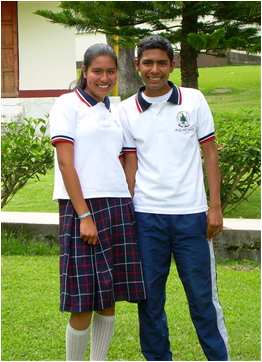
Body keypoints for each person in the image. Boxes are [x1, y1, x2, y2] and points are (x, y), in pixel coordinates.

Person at [118, 35, 229, 361]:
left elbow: (210, 154)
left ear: (173, 65)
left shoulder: (193, 101)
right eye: (148, 63)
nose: (155, 70)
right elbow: (130, 165)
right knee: (149, 301)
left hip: (192, 217)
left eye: (161, 63)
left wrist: (215, 207)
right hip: (146, 218)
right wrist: (127, 211)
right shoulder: (126, 111)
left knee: (203, 299)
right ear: (138, 66)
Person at [49, 43, 146, 361]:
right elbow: (66, 164)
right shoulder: (67, 105)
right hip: (83, 207)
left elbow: (125, 158)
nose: (104, 78)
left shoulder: (114, 110)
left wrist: (129, 196)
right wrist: (84, 214)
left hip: (117, 207)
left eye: (110, 71)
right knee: (83, 301)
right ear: (84, 72)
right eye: (97, 71)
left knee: (109, 295)